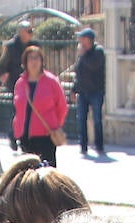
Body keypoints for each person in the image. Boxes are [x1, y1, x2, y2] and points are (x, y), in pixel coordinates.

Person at [12, 46, 68, 169]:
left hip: (46, 135)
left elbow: (62, 107)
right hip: (25, 135)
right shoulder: (20, 83)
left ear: (42, 61)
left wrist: (56, 125)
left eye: (37, 58)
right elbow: (17, 107)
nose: (34, 61)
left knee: (47, 173)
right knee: (28, 175)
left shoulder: (51, 81)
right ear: (25, 62)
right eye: (30, 58)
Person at [0, 21, 36, 151]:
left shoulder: (34, 46)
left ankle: (25, 141)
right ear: (21, 32)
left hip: (33, 82)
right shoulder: (12, 46)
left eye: (32, 31)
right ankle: (13, 136)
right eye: (28, 31)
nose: (31, 34)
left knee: (30, 113)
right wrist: (3, 74)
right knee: (19, 112)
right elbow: (2, 64)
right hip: (16, 83)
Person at [72, 29, 107, 157]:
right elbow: (78, 72)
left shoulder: (98, 52)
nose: (81, 42)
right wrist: (74, 89)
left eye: (83, 39)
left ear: (89, 39)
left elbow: (93, 65)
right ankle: (83, 146)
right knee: (81, 119)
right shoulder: (82, 54)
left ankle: (99, 145)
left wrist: (83, 54)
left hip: (96, 92)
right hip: (82, 92)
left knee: (97, 119)